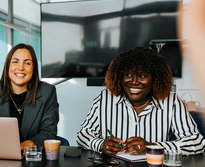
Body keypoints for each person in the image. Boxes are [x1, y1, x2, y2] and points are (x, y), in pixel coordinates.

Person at [77, 47, 205, 156]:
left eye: (142, 76)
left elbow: (196, 142)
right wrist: (100, 144)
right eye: (128, 75)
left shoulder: (172, 102)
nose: (134, 81)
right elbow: (83, 135)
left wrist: (152, 147)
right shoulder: (104, 98)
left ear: (155, 78)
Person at [0, 43, 59, 149]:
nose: (21, 68)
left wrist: (27, 144)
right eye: (15, 62)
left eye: (27, 63)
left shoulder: (47, 92)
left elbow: (49, 131)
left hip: (33, 158)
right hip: (0, 155)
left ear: (33, 68)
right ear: (8, 65)